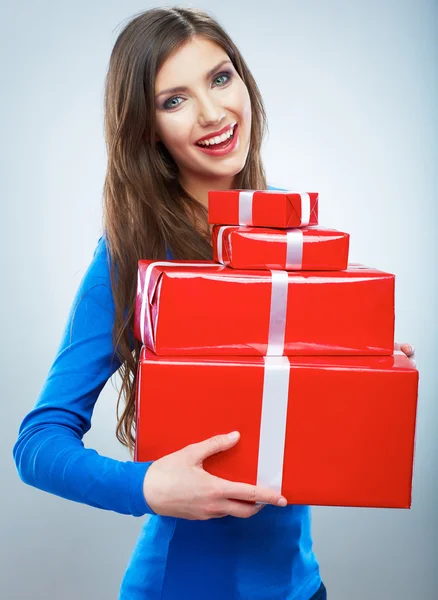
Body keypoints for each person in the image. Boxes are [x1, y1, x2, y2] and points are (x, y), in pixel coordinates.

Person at [12, 7, 415, 600]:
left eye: (220, 78)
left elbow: (285, 420)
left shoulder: (292, 227)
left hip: (302, 586)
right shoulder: (134, 252)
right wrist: (147, 486)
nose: (211, 113)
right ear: (146, 126)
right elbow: (37, 443)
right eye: (173, 100)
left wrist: (361, 371)